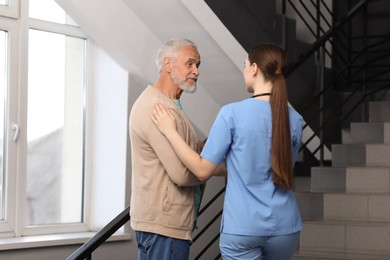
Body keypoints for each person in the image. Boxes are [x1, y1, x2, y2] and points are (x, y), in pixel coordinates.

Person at [151, 43, 303, 260]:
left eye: (244, 66)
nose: (243, 72)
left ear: (254, 68)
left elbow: (202, 171)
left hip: (243, 227)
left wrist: (169, 131)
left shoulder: (232, 113)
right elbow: (275, 167)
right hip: (286, 227)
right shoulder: (295, 120)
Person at [129, 38, 206, 260]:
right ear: (168, 64)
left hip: (164, 225)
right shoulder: (157, 107)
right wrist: (212, 168)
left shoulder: (169, 104)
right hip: (164, 227)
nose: (196, 72)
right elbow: (181, 174)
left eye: (197, 65)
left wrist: (198, 147)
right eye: (189, 64)